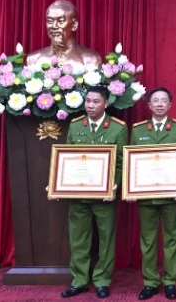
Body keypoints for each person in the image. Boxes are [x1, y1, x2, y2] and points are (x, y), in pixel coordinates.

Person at [59, 86, 127, 299]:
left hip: (105, 196)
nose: (90, 105)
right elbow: (67, 158)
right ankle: (79, 280)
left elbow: (121, 162)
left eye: (95, 101)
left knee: (106, 239)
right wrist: (58, 182)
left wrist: (114, 184)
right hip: (79, 195)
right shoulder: (75, 125)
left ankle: (102, 280)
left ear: (106, 103)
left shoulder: (117, 128)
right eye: (87, 101)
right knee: (78, 240)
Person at [128, 88, 176, 300]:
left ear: (170, 105)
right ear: (149, 105)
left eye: (164, 100)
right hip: (145, 196)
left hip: (172, 196)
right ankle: (150, 282)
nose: (160, 104)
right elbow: (131, 161)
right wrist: (130, 188)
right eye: (156, 101)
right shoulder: (138, 131)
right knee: (148, 240)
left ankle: (171, 281)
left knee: (171, 238)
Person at [26, 0, 102, 68]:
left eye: (61, 21)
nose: (54, 26)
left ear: (74, 25)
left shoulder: (91, 59)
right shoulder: (33, 59)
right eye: (50, 21)